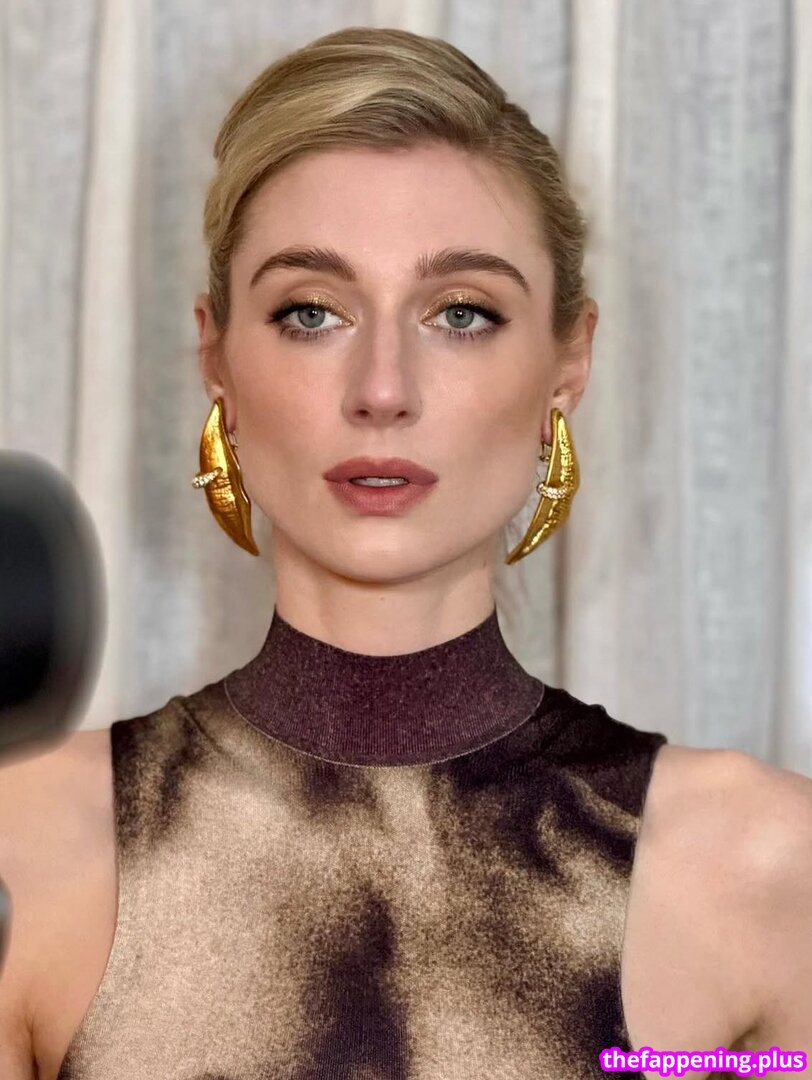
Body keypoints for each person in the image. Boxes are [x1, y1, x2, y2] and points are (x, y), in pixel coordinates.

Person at [1, 24, 810, 1080]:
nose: (382, 389)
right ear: (217, 357)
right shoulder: (28, 841)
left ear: (568, 362)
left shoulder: (762, 867)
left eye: (462, 313)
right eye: (311, 313)